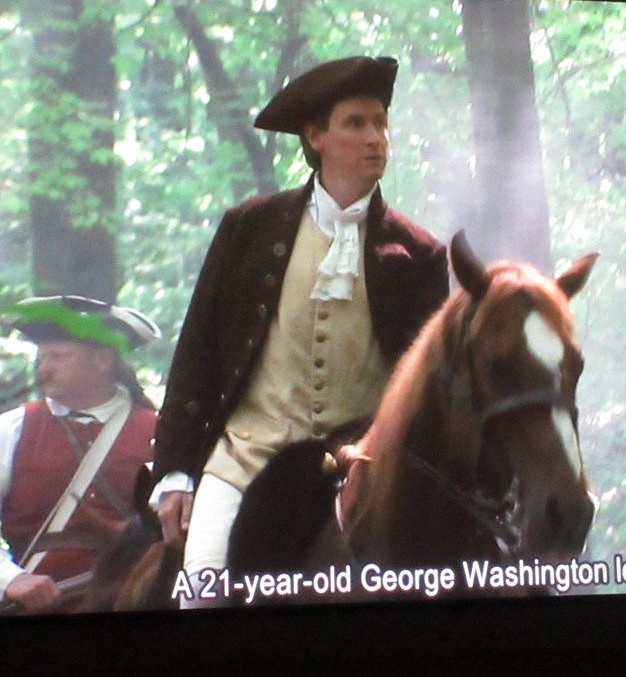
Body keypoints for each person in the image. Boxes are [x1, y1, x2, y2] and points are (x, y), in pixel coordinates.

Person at [149, 56, 450, 604]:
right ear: (315, 137)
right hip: (246, 457)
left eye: (381, 122)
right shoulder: (249, 228)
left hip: (359, 472)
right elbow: (197, 354)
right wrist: (172, 470)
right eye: (355, 123)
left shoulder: (419, 253)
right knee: (202, 596)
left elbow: (430, 392)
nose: (375, 138)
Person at [0, 295, 161, 615]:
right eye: (42, 358)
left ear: (101, 361)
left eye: (58, 357)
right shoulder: (12, 430)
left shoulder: (161, 433)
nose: (44, 368)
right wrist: (9, 579)